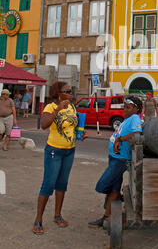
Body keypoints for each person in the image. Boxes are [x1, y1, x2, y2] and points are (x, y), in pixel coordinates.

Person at [32, 81, 87, 235]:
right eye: (67, 91)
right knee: (49, 183)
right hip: (54, 151)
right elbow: (43, 125)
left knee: (62, 184)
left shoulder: (72, 107)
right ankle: (38, 220)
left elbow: (74, 126)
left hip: (69, 150)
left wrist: (81, 134)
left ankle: (57, 215)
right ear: (58, 93)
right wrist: (57, 109)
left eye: (71, 91)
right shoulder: (51, 107)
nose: (71, 93)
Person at [88, 95, 143, 228]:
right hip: (114, 157)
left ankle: (120, 198)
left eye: (128, 107)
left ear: (136, 109)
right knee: (113, 188)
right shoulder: (127, 119)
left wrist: (120, 139)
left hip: (121, 159)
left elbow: (137, 134)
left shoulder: (135, 118)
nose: (125, 109)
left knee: (102, 185)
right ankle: (106, 217)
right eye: (124, 107)